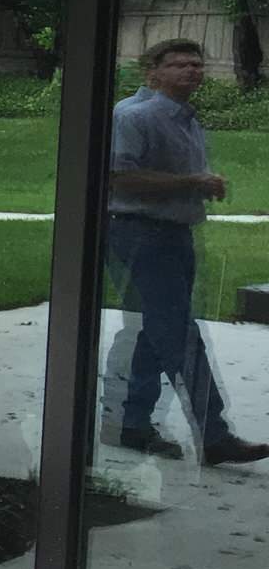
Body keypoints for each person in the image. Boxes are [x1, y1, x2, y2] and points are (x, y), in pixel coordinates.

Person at [105, 37, 269, 465]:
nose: (191, 71)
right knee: (179, 334)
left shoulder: (186, 119)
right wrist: (193, 183)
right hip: (141, 234)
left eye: (197, 65)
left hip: (174, 236)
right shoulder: (134, 115)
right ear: (152, 72)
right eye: (179, 64)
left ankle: (134, 426)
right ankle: (215, 436)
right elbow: (118, 177)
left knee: (156, 332)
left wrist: (198, 185)